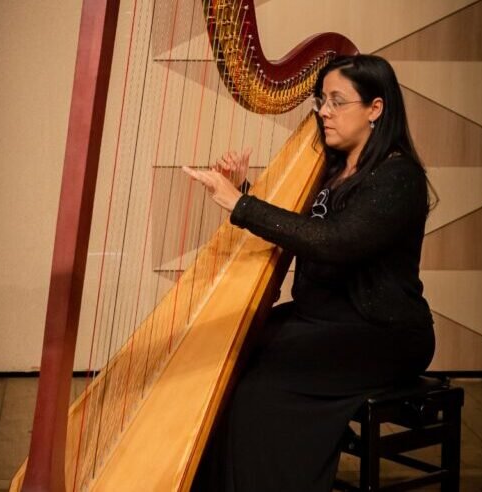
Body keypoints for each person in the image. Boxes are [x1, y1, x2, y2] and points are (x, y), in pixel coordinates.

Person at [183, 54, 436, 491]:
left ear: (375, 108)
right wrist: (246, 189)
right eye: (322, 100)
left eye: (338, 101)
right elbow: (302, 230)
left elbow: (335, 242)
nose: (324, 111)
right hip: (322, 321)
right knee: (222, 354)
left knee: (259, 393)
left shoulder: (398, 177)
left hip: (381, 332)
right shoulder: (334, 169)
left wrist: (239, 205)